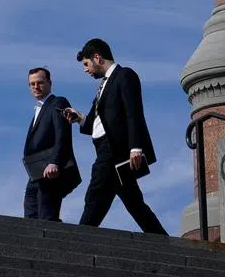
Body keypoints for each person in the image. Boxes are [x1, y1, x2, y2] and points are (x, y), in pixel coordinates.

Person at [62, 39, 167, 234]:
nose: (86, 70)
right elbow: (96, 120)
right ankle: (162, 240)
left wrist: (136, 147)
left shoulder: (124, 75)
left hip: (113, 151)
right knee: (134, 203)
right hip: (107, 149)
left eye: (86, 64)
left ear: (97, 58)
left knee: (94, 196)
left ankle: (78, 242)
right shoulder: (103, 85)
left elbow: (133, 112)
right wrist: (79, 118)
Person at [21, 67, 80, 221]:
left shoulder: (58, 102)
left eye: (40, 82)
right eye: (32, 84)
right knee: (30, 216)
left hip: (51, 171)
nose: (36, 87)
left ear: (49, 83)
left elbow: (63, 135)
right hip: (35, 173)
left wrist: (55, 163)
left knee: (47, 217)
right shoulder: (38, 109)